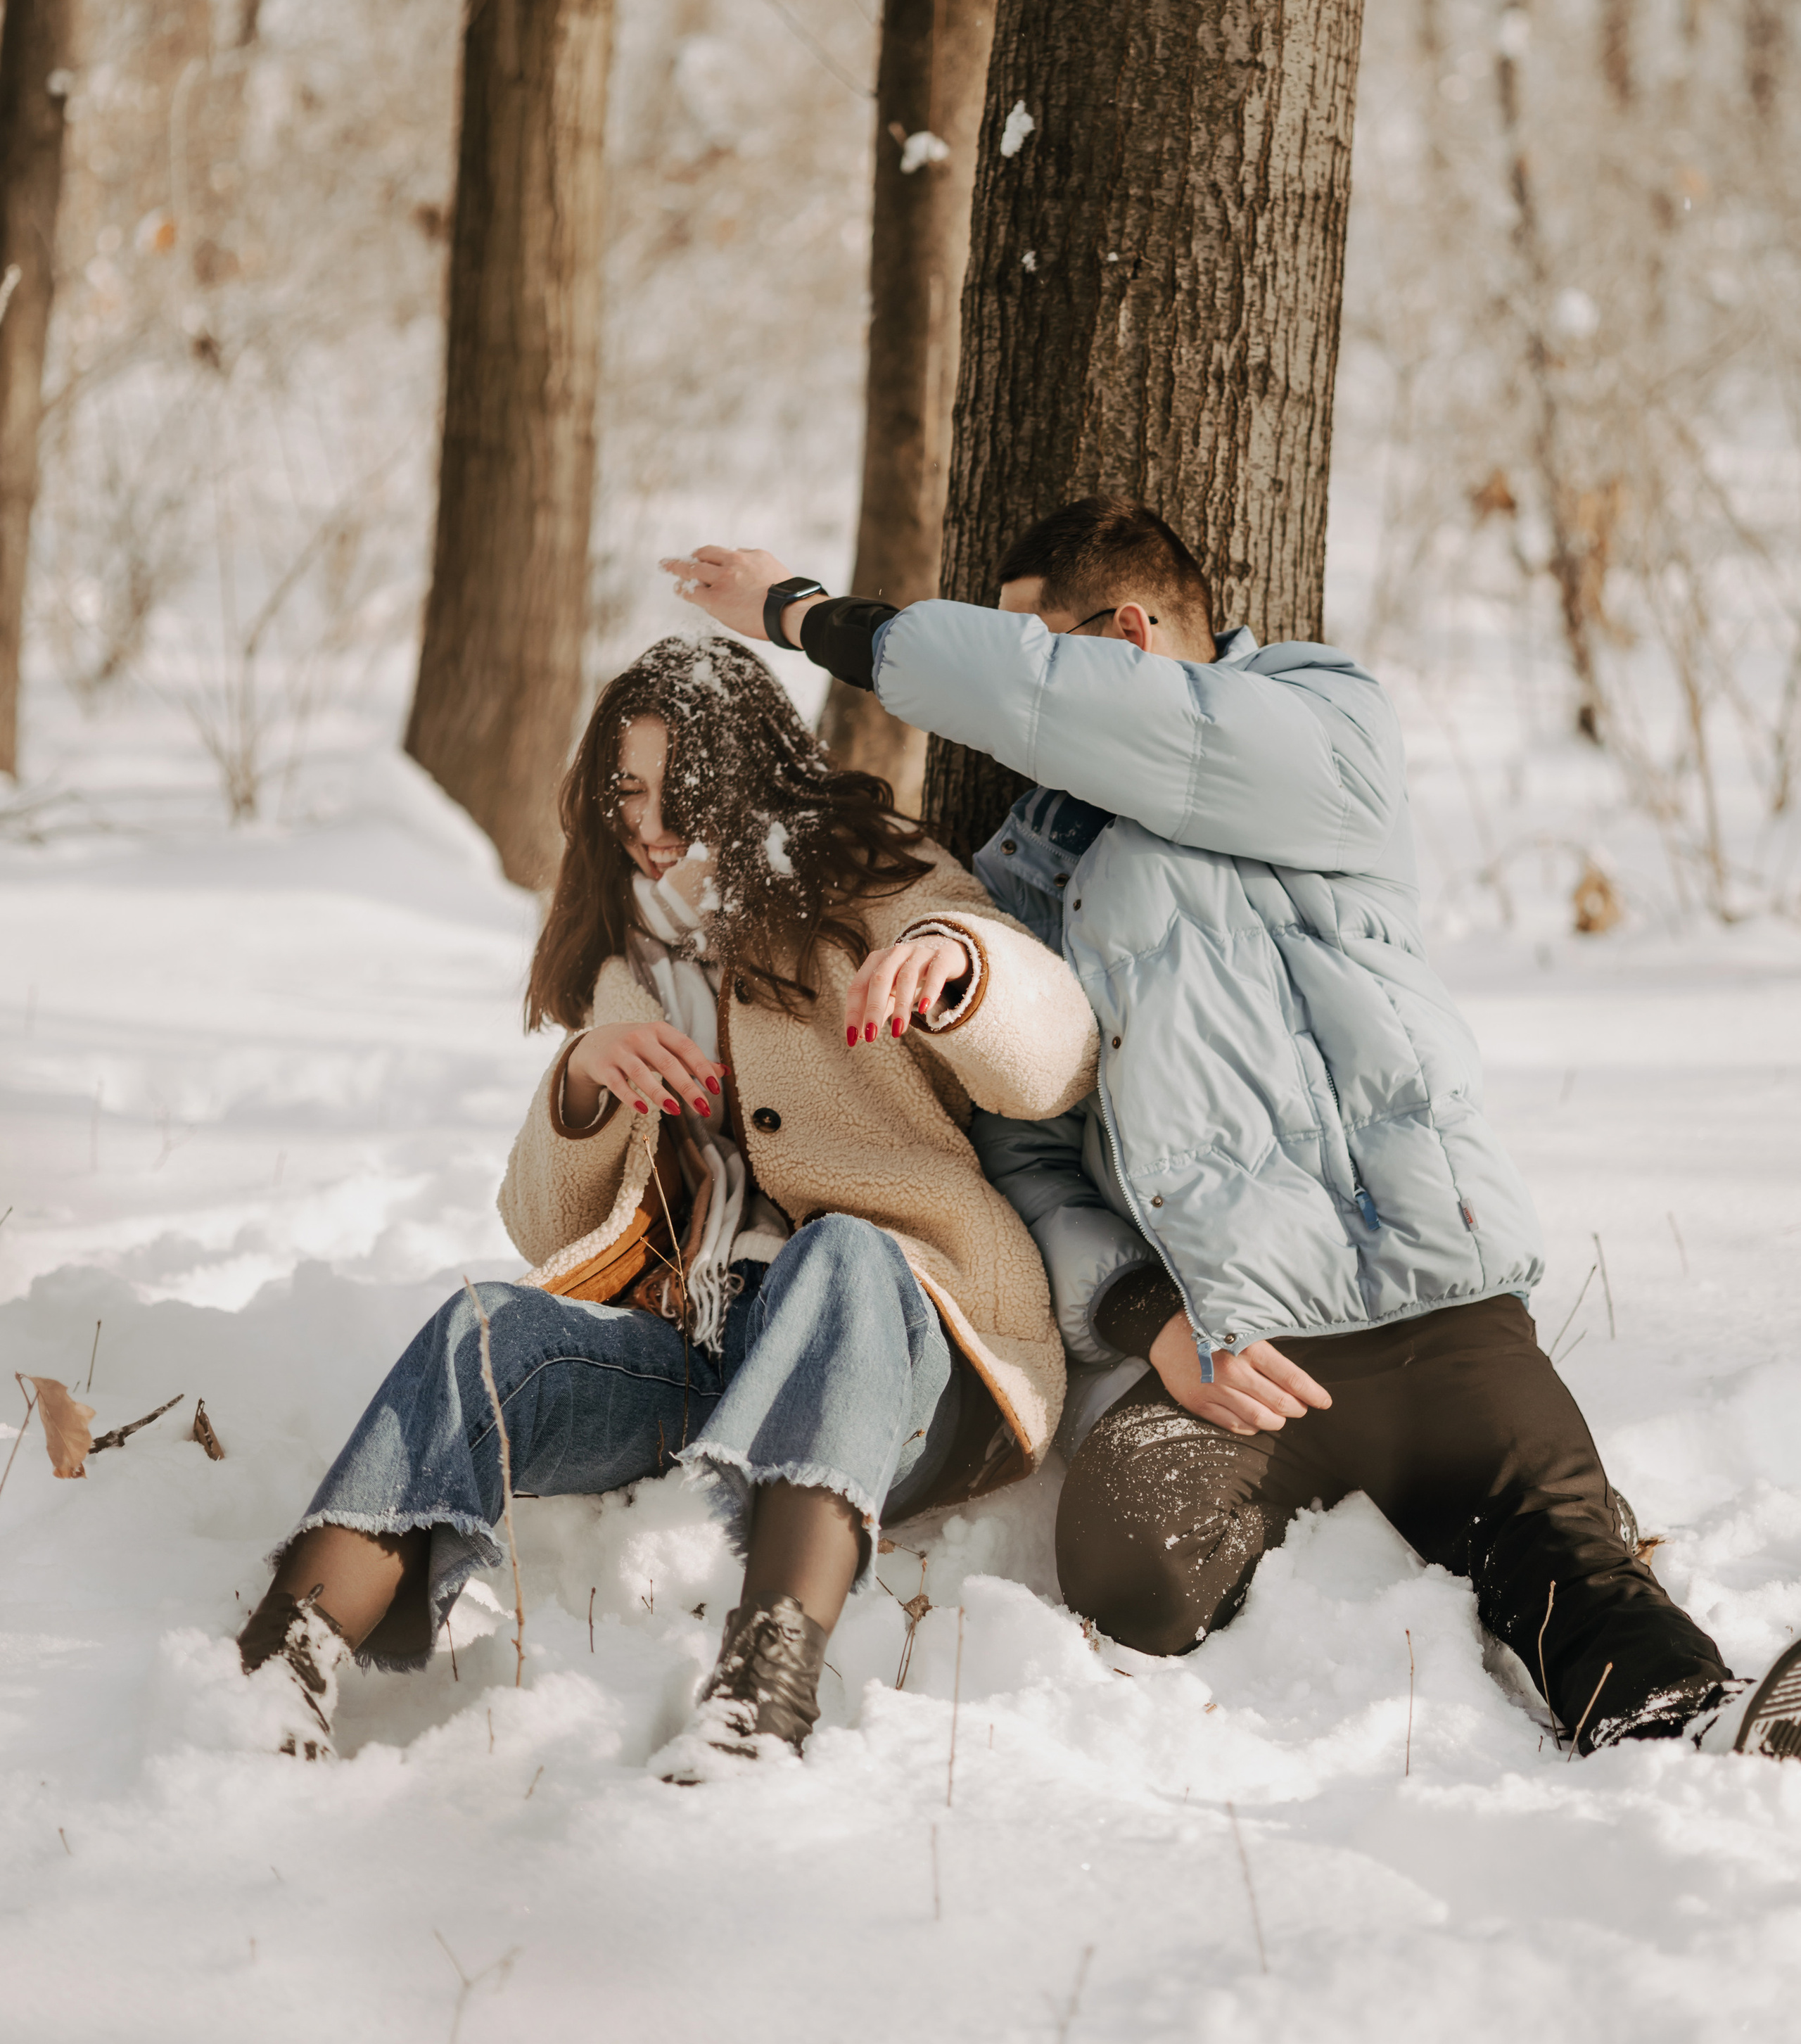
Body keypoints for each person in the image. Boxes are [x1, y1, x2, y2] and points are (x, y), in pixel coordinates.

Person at [663, 507, 1801, 1763]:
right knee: (1129, 1567)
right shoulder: (1032, 869)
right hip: (1237, 1351)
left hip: (1440, 1311)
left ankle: (1708, 1730)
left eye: (1029, 649)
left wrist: (807, 616)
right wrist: (1149, 1313)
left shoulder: (1321, 723)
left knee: (1566, 1558)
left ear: (1129, 639)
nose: (1009, 707)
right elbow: (1028, 1152)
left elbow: (1069, 704)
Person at [237, 635, 1097, 1772]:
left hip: (906, 1345)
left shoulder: (873, 882)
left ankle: (763, 1695)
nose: (648, 827)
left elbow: (1055, 1057)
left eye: (679, 795)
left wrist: (958, 966)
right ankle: (277, 1666)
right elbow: (548, 1232)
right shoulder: (628, 958)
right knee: (481, 1332)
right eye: (626, 794)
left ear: (749, 780)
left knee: (841, 1252)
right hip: (705, 1349)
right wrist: (586, 1080)